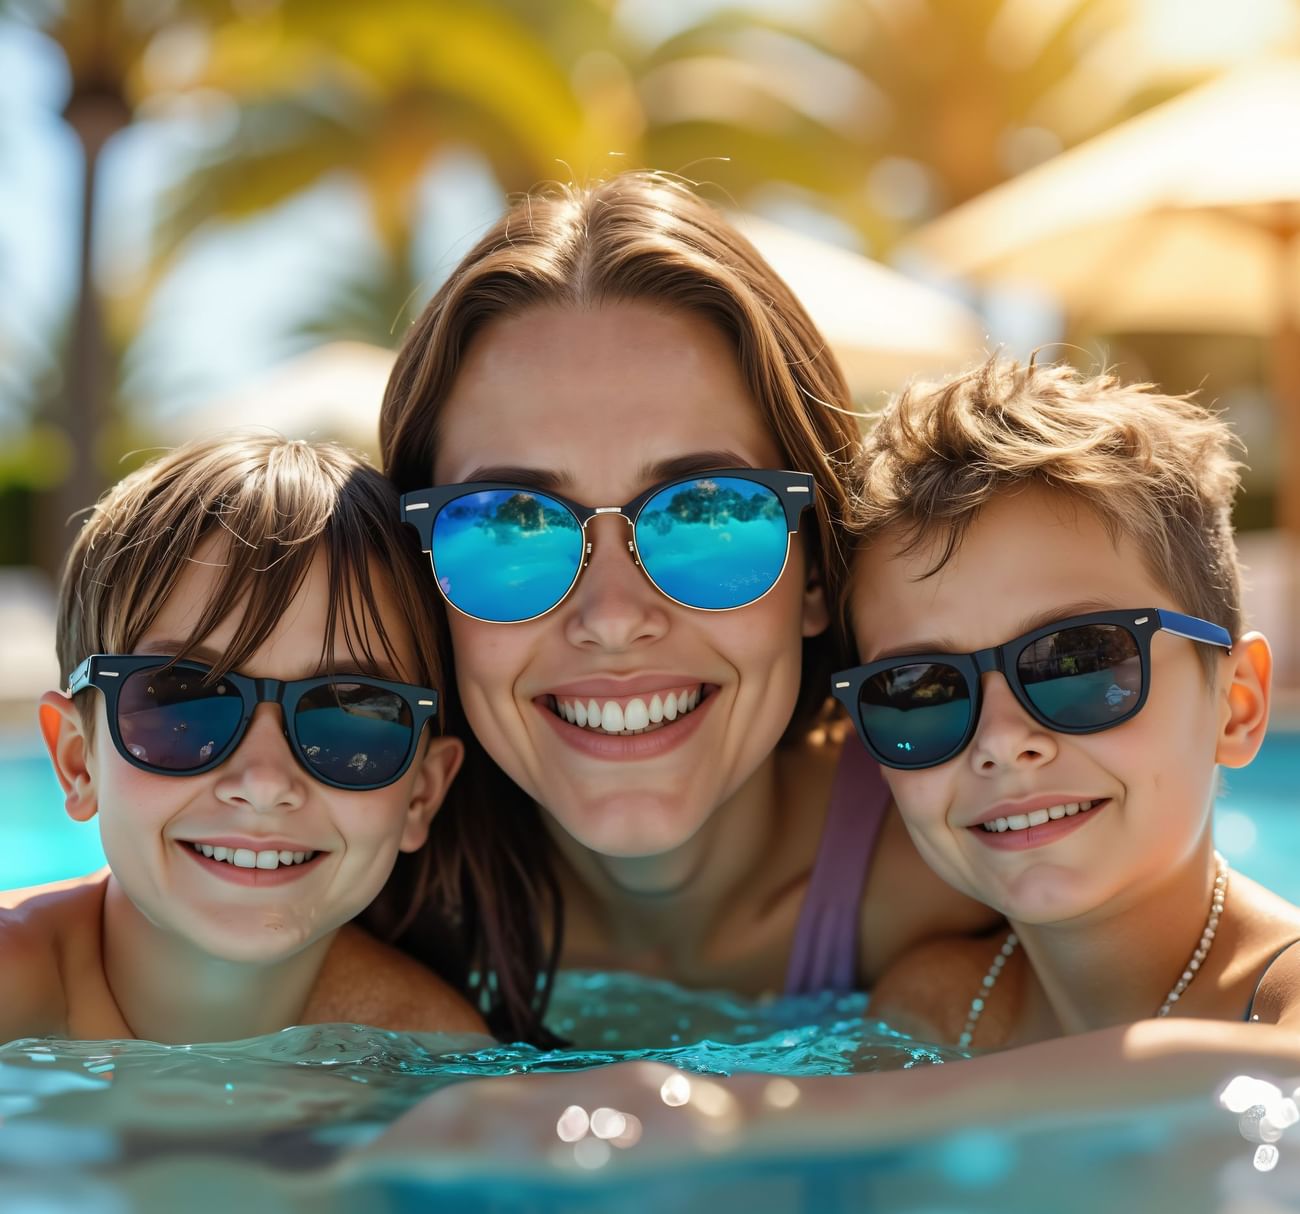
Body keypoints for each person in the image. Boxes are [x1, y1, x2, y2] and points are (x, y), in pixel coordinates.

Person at [375, 171, 996, 1040]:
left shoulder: (962, 869)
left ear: (814, 572)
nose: (613, 615)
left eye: (708, 514)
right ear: (420, 585)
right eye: (511, 528)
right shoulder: (357, 886)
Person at [841, 356, 1300, 1044]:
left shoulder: (1282, 1006)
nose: (1000, 739)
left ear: (1237, 704)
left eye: (1076, 662)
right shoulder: (933, 1009)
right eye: (921, 690)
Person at [2, 435, 487, 1044]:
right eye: (185, 703)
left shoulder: (429, 1053)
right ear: (77, 761)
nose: (263, 783)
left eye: (348, 715)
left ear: (422, 793)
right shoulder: (13, 991)